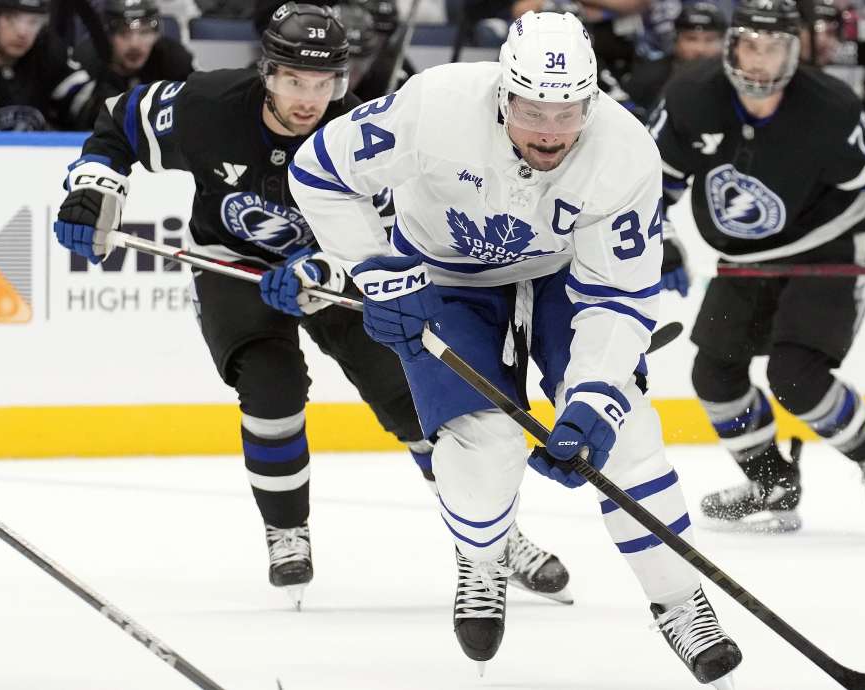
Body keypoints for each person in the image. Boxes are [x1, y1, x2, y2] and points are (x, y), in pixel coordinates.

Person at [51, 2, 572, 610]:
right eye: (295, 80)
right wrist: (95, 186)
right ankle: (285, 529)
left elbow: (388, 231)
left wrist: (324, 267)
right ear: (267, 72)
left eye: (324, 83)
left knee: (413, 402)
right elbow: (121, 121)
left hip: (338, 272)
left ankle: (494, 539)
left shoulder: (359, 134)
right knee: (270, 386)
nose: (309, 98)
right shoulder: (209, 106)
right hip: (233, 264)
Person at [287, 10, 743, 686]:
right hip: (443, 276)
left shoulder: (624, 152)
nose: (551, 132)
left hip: (563, 276)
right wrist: (377, 270)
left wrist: (593, 399)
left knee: (629, 433)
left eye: (569, 112)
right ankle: (482, 557)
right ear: (503, 93)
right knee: (483, 440)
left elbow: (617, 298)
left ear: (591, 100)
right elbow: (318, 170)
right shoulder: (435, 106)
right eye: (533, 109)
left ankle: (681, 603)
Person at [649, 0, 865, 534]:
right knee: (713, 374)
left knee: (796, 376)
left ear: (794, 50)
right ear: (731, 46)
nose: (759, 61)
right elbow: (650, 184)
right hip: (744, 258)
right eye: (749, 46)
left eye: (773, 48)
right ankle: (770, 482)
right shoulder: (691, 98)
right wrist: (663, 238)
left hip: (828, 244)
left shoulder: (827, 109)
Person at [0, 0, 98, 130]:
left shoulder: (48, 52)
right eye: (10, 19)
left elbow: (85, 101)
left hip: (35, 149)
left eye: (33, 22)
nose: (22, 33)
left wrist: (102, 111)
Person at [75, 0, 195, 103]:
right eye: (123, 33)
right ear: (107, 36)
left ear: (156, 35)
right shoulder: (86, 62)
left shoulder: (175, 60)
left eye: (145, 32)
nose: (134, 44)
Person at [622, 1, 727, 115]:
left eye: (710, 39)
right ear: (676, 39)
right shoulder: (647, 78)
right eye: (691, 39)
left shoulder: (735, 82)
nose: (700, 49)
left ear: (725, 42)